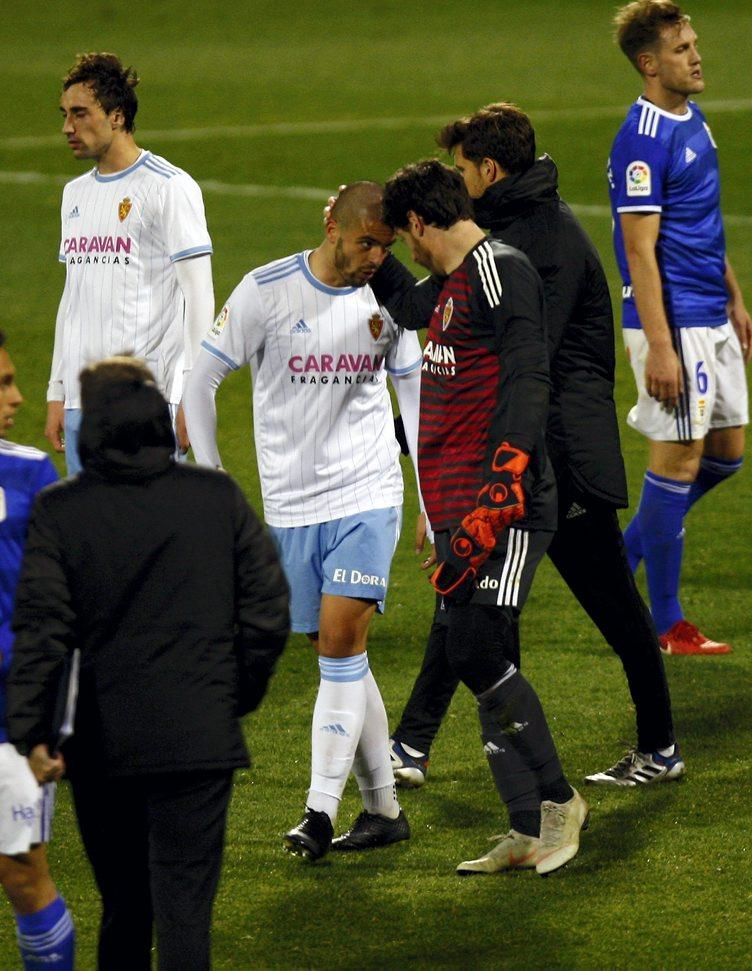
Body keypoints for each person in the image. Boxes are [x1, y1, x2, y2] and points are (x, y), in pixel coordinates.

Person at [382, 103, 682, 790]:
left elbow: (517, 366)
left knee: (603, 605)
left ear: (489, 170)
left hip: (558, 460)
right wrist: (374, 261)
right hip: (526, 453)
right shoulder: (504, 233)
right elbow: (435, 308)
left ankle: (654, 747)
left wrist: (425, 438)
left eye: (462, 171)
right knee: (469, 603)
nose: (458, 184)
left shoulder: (537, 246)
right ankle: (415, 745)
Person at [8, 357, 290, 970]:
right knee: (186, 912)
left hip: (103, 745)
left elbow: (42, 630)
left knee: (125, 908)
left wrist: (30, 732)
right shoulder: (216, 496)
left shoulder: (62, 510)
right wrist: (230, 696)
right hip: (199, 739)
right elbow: (268, 609)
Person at [183, 182, 423, 862]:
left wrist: (430, 502)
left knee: (341, 643)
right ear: (333, 227)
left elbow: (415, 398)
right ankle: (383, 809)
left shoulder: (392, 302)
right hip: (291, 505)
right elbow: (198, 382)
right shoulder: (267, 291)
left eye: (386, 245)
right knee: (341, 652)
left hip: (367, 493)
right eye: (366, 242)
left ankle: (319, 810)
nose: (376, 255)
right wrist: (212, 480)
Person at [378, 158, 588, 876]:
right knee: (483, 653)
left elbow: (530, 378)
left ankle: (559, 803)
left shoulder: (501, 270)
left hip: (507, 506)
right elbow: (411, 307)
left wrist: (501, 491)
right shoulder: (448, 286)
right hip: (461, 507)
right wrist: (368, 260)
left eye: (400, 238)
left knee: (473, 647)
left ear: (418, 223)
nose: (404, 249)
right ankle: (524, 825)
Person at [608, 1, 752, 655]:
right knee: (679, 460)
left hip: (712, 313)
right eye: (680, 48)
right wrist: (661, 348)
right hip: (671, 324)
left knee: (727, 455)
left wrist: (736, 298)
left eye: (694, 43)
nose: (696, 56)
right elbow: (640, 250)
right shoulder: (641, 139)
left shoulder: (694, 119)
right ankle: (665, 622)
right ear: (649, 63)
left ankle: (619, 557)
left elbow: (703, 220)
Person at [46, 52, 215, 473]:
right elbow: (73, 298)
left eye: (80, 113)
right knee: (87, 535)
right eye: (65, 114)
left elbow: (198, 296)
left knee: (144, 532)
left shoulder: (168, 188)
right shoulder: (75, 195)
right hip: (81, 404)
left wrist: (188, 396)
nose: (68, 127)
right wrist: (58, 391)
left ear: (117, 116)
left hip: (146, 402)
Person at [0, 331, 74, 969]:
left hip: (6, 715)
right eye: (1, 384)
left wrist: (49, 725)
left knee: (23, 873)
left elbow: (55, 612)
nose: (18, 397)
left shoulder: (29, 473)